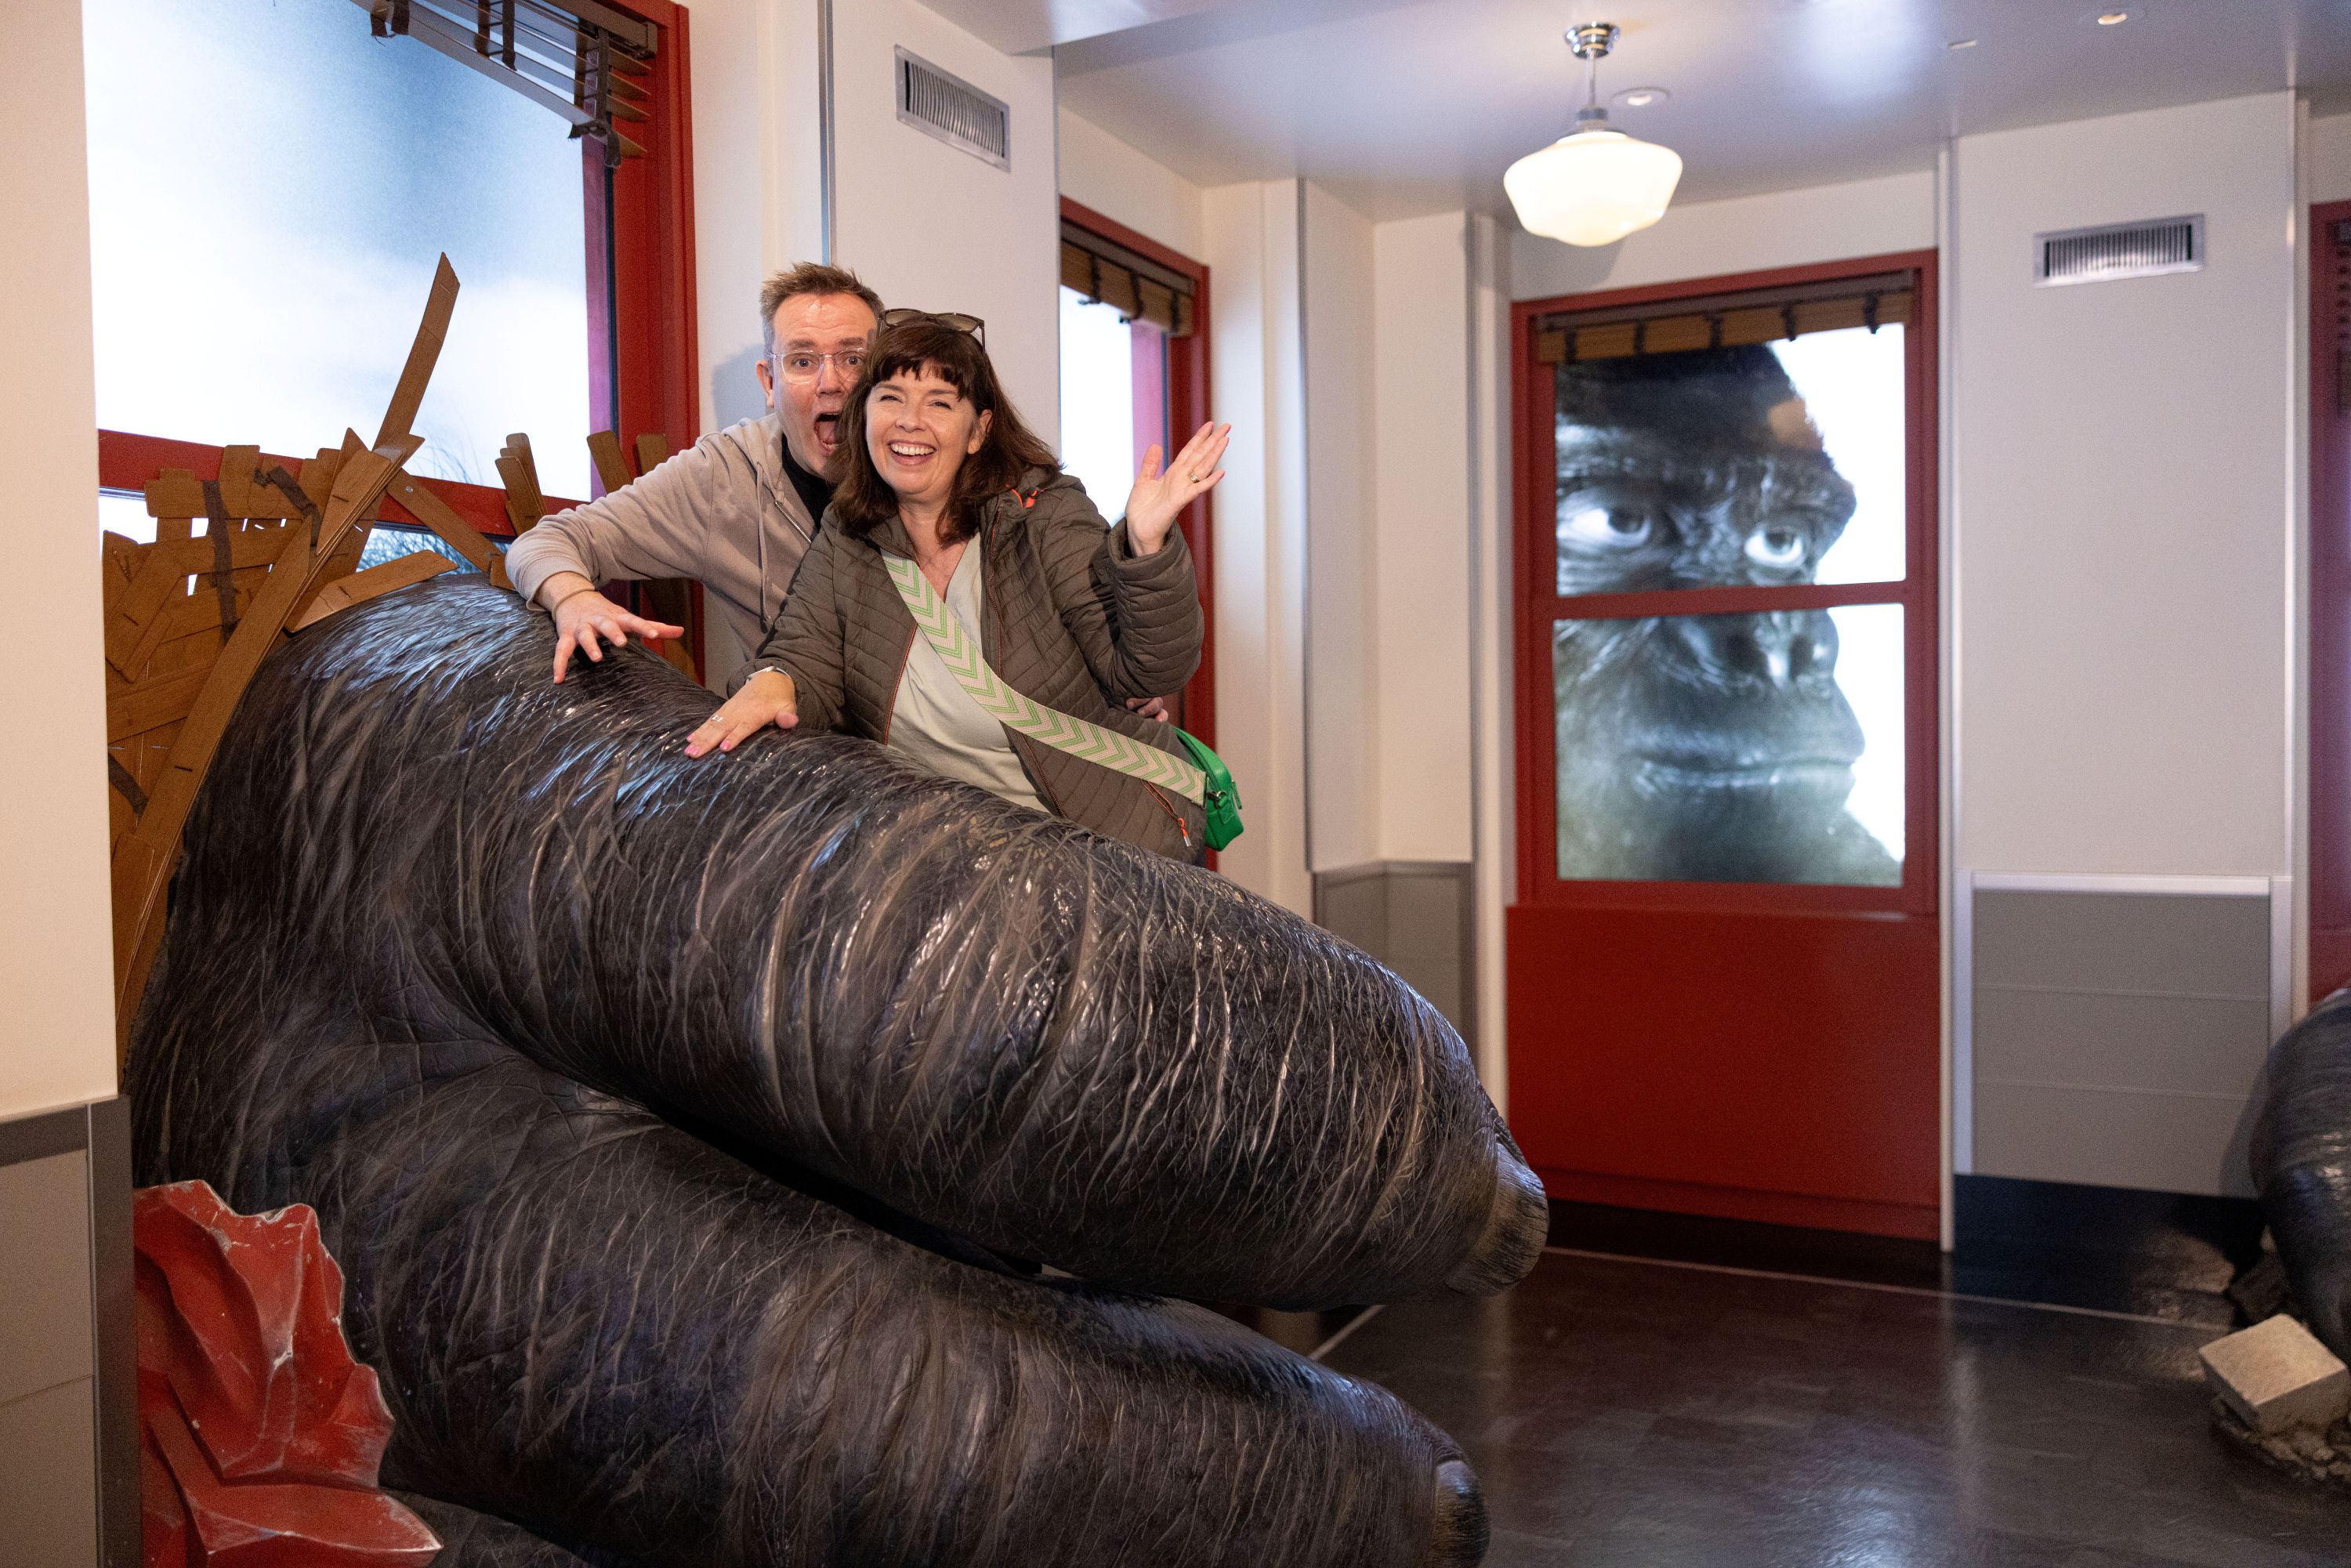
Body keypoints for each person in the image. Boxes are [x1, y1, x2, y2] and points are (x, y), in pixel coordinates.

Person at [683, 313, 1228, 860]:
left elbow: (1148, 671)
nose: (910, 422)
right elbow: (805, 656)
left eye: (940, 403)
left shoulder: (1043, 515)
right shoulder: (847, 536)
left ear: (978, 432)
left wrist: (1147, 546)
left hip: (1107, 843)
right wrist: (776, 681)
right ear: (864, 415)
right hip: (967, 854)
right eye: (890, 398)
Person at [505, 263, 883, 684]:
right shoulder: (722, 477)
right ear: (769, 383)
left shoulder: (917, 459)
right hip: (800, 721)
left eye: (854, 359)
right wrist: (573, 599)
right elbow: (547, 541)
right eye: (803, 361)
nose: (831, 382)